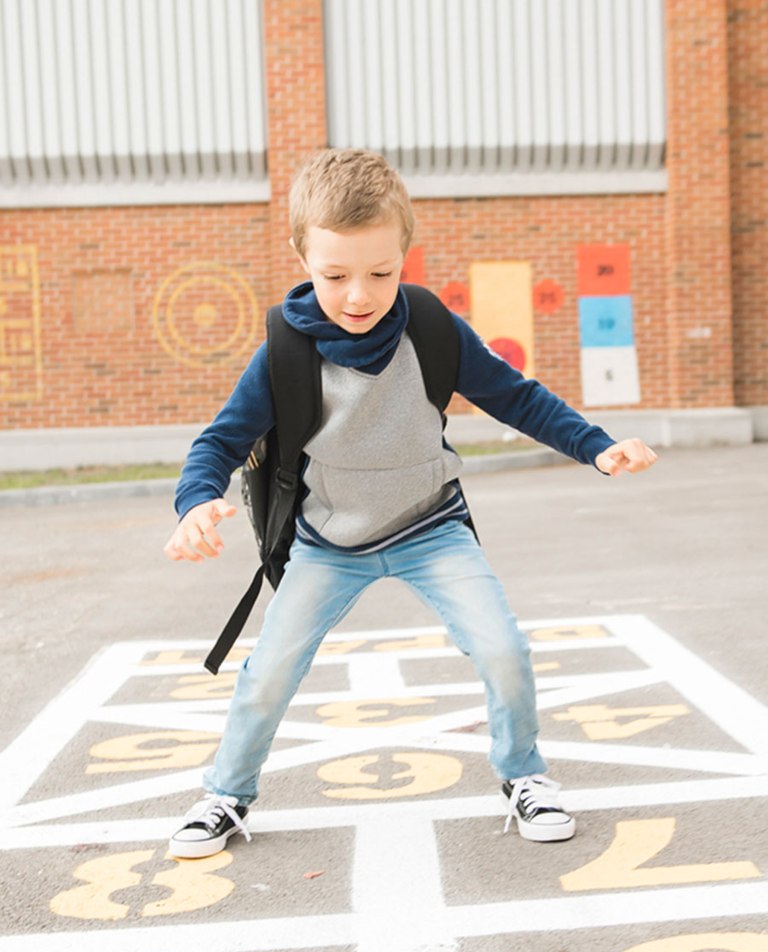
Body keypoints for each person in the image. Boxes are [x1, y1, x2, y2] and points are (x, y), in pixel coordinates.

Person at [163, 148, 657, 859]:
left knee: (503, 649)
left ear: (405, 254)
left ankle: (525, 777)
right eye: (335, 276)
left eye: (380, 273)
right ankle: (225, 795)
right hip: (329, 543)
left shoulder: (430, 329)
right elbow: (217, 443)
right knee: (269, 669)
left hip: (432, 527)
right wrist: (194, 504)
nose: (359, 294)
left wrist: (596, 446)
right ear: (301, 254)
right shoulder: (284, 351)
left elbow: (515, 395)